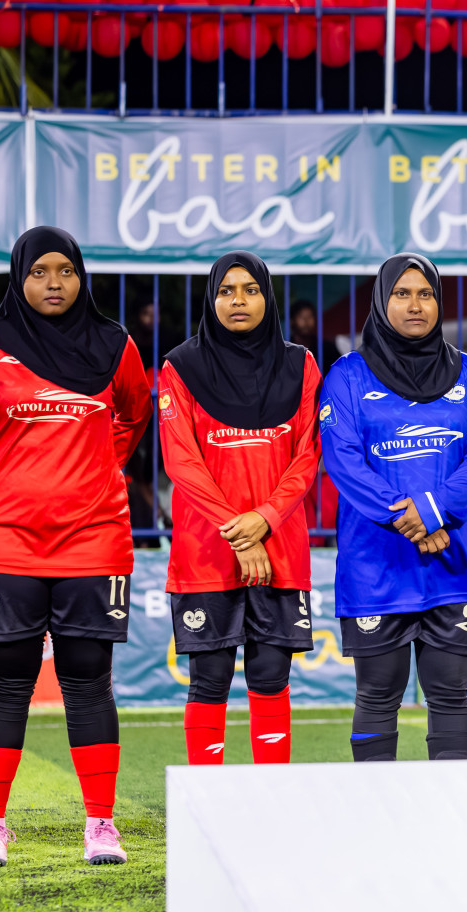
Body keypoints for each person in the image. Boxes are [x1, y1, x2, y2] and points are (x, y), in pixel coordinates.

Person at [0, 227, 151, 867]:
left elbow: (135, 413)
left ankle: (101, 826)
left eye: (65, 271)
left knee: (90, 685)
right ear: (18, 278)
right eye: (39, 272)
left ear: (81, 277)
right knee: (4, 685)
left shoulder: (115, 345)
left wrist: (97, 467)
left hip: (94, 543)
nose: (54, 283)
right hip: (2, 548)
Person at [321, 255, 467, 760]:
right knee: (377, 695)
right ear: (381, 300)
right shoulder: (348, 376)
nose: (415, 304)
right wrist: (413, 518)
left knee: (449, 695)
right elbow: (343, 458)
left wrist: (434, 510)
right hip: (377, 564)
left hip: (450, 561)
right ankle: (380, 827)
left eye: (425, 294)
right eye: (402, 293)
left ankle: (447, 828)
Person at [159, 252, 321, 767]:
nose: (238, 301)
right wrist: (244, 534)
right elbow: (180, 462)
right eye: (226, 290)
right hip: (208, 554)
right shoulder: (180, 367)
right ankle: (207, 803)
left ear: (266, 297)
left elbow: (310, 454)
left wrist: (267, 518)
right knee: (208, 681)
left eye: (250, 289)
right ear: (211, 298)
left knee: (272, 678)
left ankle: (271, 805)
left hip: (281, 552)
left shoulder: (301, 365)